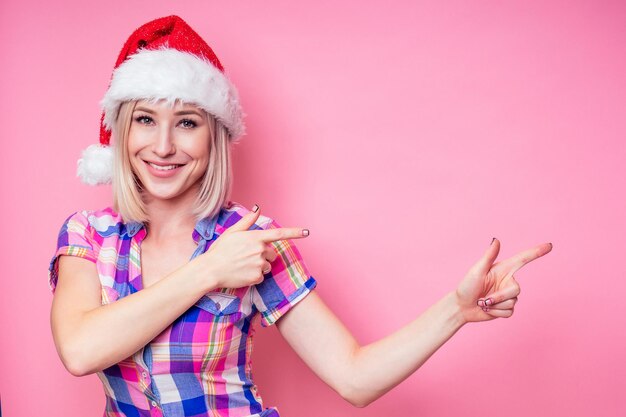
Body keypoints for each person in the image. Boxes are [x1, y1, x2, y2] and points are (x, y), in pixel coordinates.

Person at [48, 15, 553, 417]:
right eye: (144, 119)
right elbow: (80, 350)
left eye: (186, 122)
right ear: (121, 130)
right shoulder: (89, 237)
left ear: (213, 137)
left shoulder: (254, 241)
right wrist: (208, 271)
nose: (163, 146)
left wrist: (456, 311)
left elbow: (354, 378)